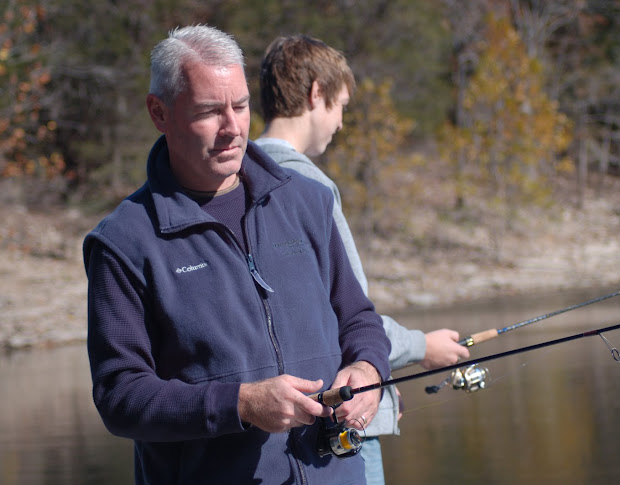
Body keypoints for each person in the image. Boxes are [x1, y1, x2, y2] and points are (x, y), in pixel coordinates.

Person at [83, 25, 391, 485]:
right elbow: (121, 396)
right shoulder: (124, 242)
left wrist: (368, 369)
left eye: (241, 106)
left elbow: (359, 320)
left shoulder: (308, 202)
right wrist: (240, 404)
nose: (232, 128)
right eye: (209, 111)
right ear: (159, 113)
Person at [256, 34, 470, 484]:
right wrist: (421, 347)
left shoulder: (242, 181)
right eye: (341, 107)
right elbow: (348, 313)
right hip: (342, 428)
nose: (340, 124)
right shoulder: (307, 190)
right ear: (317, 93)